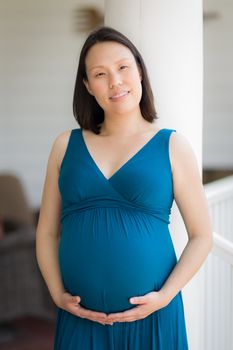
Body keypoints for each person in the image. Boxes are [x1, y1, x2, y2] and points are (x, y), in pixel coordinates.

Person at [36, 26, 213, 349]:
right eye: (100, 74)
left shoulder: (172, 146)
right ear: (88, 86)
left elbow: (202, 235)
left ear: (140, 72)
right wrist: (57, 294)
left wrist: (164, 297)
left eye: (123, 67)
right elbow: (46, 232)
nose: (115, 82)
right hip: (80, 319)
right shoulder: (65, 145)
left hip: (153, 318)